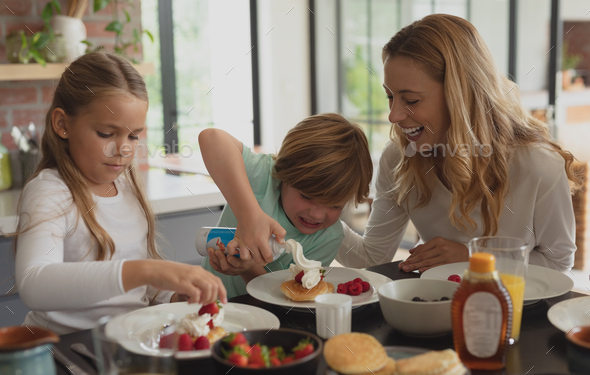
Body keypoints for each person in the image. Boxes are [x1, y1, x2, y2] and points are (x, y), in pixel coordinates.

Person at [336, 14, 582, 273]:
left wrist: (472, 258)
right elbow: (373, 257)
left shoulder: (539, 167)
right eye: (390, 96)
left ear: (461, 95)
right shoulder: (399, 159)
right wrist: (311, 211)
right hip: (434, 307)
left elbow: (558, 263)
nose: (393, 115)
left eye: (411, 100)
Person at [13, 52, 226, 334]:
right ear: (62, 124)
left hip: (126, 343)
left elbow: (137, 291)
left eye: (133, 135)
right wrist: (147, 270)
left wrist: (173, 295)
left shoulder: (127, 189)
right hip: (65, 351)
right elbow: (34, 283)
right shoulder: (50, 191)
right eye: (105, 133)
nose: (124, 149)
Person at [200, 113, 373, 298]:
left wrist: (249, 269)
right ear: (283, 173)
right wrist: (250, 217)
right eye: (307, 196)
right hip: (202, 302)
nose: (316, 214)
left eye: (335, 206)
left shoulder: (330, 237)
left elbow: (289, 298)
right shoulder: (265, 177)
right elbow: (211, 138)